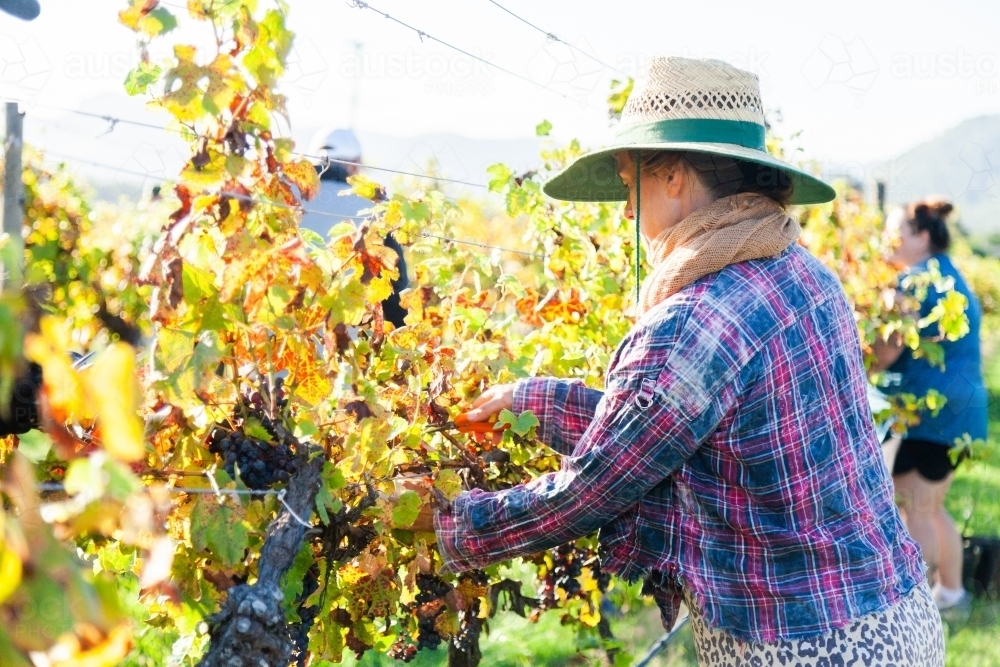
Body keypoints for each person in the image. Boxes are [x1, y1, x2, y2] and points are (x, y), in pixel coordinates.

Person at [406, 57, 943, 665]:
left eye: (628, 181)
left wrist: (450, 521)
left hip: (806, 648)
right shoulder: (800, 272)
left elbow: (592, 487)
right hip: (897, 617)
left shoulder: (693, 319)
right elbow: (685, 430)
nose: (627, 210)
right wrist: (536, 404)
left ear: (672, 176)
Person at [875, 198, 988, 612]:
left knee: (914, 507)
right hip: (958, 414)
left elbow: (885, 353)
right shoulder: (951, 276)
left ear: (921, 236)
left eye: (896, 233)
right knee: (931, 506)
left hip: (929, 413)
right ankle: (951, 593)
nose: (889, 243)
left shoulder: (914, 283)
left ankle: (915, 605)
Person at [300, 127, 408, 327]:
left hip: (277, 341)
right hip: (348, 344)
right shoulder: (376, 209)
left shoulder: (281, 197)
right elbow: (396, 291)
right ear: (355, 164)